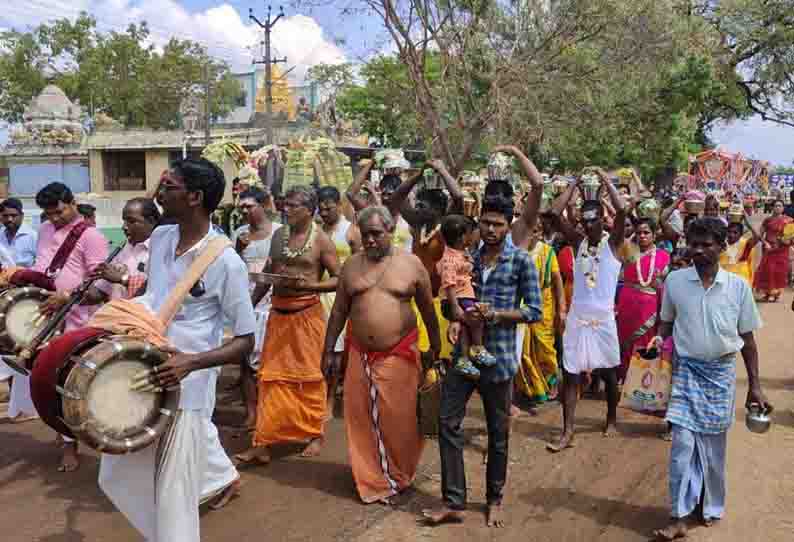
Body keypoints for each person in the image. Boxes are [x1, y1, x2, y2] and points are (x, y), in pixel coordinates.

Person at [97, 159, 256, 542]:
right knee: (115, 474)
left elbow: (246, 341)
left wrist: (192, 362)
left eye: (168, 186)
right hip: (144, 369)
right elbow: (157, 296)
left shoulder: (226, 262)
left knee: (173, 493)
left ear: (195, 197)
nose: (159, 192)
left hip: (188, 387)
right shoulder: (164, 237)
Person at [423, 195, 542, 528]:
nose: (490, 229)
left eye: (498, 224)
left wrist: (497, 314)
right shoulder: (465, 256)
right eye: (486, 222)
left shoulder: (521, 261)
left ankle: (494, 498)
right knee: (447, 422)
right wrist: (455, 318)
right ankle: (454, 501)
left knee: (497, 432)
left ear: (509, 224)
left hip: (498, 358)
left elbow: (534, 311)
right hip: (464, 357)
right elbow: (449, 301)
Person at [653, 217, 771, 540]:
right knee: (681, 447)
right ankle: (678, 516)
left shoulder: (737, 287)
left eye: (707, 245)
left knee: (713, 451)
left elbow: (747, 341)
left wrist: (756, 386)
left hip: (720, 376)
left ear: (722, 247)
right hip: (686, 373)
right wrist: (657, 339)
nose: (699, 250)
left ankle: (709, 504)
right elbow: (665, 323)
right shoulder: (675, 282)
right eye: (694, 244)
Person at [322, 205, 440, 504]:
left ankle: (398, 473)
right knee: (360, 418)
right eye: (365, 235)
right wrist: (328, 349)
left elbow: (428, 309)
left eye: (376, 234)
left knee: (400, 420)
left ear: (390, 231)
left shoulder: (411, 264)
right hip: (360, 354)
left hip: (399, 353)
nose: (370, 240)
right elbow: (338, 311)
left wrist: (435, 349)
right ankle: (373, 478)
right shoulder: (351, 265)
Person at [235, 185, 340, 466]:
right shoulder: (279, 235)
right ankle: (263, 442)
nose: (286, 209)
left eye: (293, 206)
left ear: (309, 210)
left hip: (307, 316)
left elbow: (339, 278)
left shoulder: (321, 241)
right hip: (277, 315)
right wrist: (250, 305)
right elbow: (270, 270)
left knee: (310, 377)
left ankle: (314, 433)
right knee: (269, 377)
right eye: (285, 204)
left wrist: (313, 286)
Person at [15, 182, 109, 471]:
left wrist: (66, 297)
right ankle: (64, 435)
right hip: (43, 314)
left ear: (73, 202)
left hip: (77, 318)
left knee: (68, 383)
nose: (54, 218)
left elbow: (101, 283)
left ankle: (72, 446)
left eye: (59, 211)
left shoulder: (92, 236)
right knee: (47, 381)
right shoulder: (44, 229)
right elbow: (44, 267)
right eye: (49, 214)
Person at [546, 168, 627, 452]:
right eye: (584, 220)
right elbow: (554, 214)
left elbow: (623, 211)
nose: (588, 225)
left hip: (603, 317)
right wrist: (574, 183)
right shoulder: (578, 243)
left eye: (594, 220)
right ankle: (567, 431)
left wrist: (605, 181)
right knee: (570, 373)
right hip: (579, 317)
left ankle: (612, 417)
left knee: (608, 373)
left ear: (602, 220)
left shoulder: (613, 244)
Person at [230, 187, 281, 433]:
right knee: (244, 359)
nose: (245, 211)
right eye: (242, 207)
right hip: (245, 297)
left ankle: (268, 413)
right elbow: (232, 265)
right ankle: (251, 413)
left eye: (249, 206)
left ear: (263, 206)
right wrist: (238, 249)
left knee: (269, 360)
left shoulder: (279, 232)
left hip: (271, 299)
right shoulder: (240, 233)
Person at [317, 185, 361, 417]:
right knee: (321, 350)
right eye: (321, 209)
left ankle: (331, 400)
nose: (324, 213)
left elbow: (360, 264)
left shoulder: (351, 231)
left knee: (335, 353)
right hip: (318, 296)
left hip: (341, 298)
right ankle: (319, 397)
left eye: (328, 208)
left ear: (339, 205)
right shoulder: (317, 231)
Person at [516, 221, 566, 403]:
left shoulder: (547, 251)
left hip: (543, 304)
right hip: (521, 304)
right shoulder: (516, 250)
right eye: (529, 230)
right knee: (523, 350)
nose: (532, 234)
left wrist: (561, 308)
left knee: (545, 347)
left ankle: (551, 382)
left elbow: (556, 279)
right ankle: (529, 387)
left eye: (536, 231)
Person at [616, 218, 670, 383]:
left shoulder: (663, 256)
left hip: (650, 307)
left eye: (646, 232)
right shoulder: (628, 252)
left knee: (645, 343)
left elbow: (664, 286)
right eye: (639, 233)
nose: (642, 236)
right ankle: (626, 381)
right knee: (625, 343)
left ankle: (644, 384)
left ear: (654, 235)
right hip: (627, 304)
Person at [436, 214, 491, 378]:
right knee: (476, 318)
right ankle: (477, 348)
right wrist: (455, 307)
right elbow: (449, 284)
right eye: (470, 233)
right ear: (462, 237)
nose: (474, 235)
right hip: (457, 299)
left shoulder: (461, 252)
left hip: (464, 297)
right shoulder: (449, 259)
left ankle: (464, 359)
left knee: (465, 328)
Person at [346, 159, 413, 251]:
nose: (385, 198)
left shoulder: (409, 216)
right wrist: (372, 162)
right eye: (383, 194)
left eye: (390, 194)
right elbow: (350, 193)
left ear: (400, 195)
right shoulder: (374, 213)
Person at [753, 199, 792, 302]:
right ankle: (768, 292)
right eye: (776, 206)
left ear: (783, 208)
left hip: (782, 250)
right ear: (772, 208)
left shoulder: (789, 221)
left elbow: (791, 236)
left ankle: (776, 294)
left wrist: (787, 242)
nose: (777, 208)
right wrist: (764, 243)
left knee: (779, 272)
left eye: (780, 206)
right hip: (769, 249)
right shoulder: (767, 220)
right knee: (768, 270)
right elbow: (759, 234)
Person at [719, 213, 761, 284]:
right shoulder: (722, 243)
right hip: (724, 277)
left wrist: (747, 223)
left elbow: (757, 237)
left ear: (741, 234)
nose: (731, 235)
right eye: (729, 232)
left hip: (740, 278)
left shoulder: (745, 244)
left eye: (735, 232)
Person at [0, 198, 37, 267]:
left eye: (13, 215)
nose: (9, 219)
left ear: (22, 216)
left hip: (25, 276)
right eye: (5, 216)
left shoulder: (33, 236)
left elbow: (40, 263)